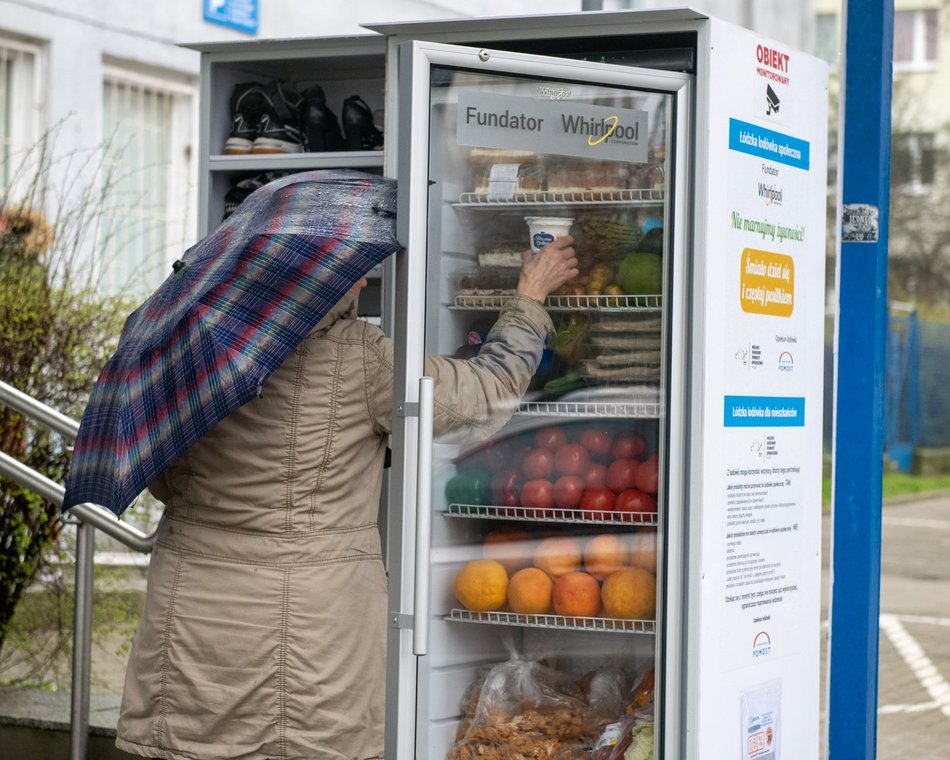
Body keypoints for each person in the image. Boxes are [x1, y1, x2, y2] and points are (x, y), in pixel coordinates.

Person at [114, 232, 578, 760]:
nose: (361, 278)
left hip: (190, 624)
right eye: (350, 269)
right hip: (312, 635)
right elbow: (486, 397)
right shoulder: (358, 358)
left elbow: (160, 478)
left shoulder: (179, 350)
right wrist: (530, 296)